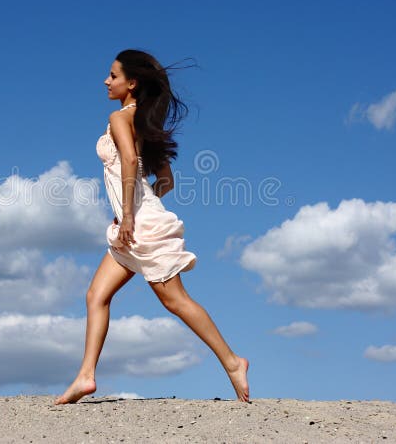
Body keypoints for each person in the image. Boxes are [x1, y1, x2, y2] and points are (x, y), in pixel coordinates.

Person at [54, 49, 250, 405]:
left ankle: (234, 362)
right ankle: (85, 376)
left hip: (138, 224)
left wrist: (130, 214)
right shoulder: (143, 123)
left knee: (175, 301)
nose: (105, 81)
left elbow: (129, 160)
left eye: (112, 76)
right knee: (96, 296)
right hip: (135, 220)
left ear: (132, 83)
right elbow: (166, 181)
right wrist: (132, 208)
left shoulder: (119, 118)